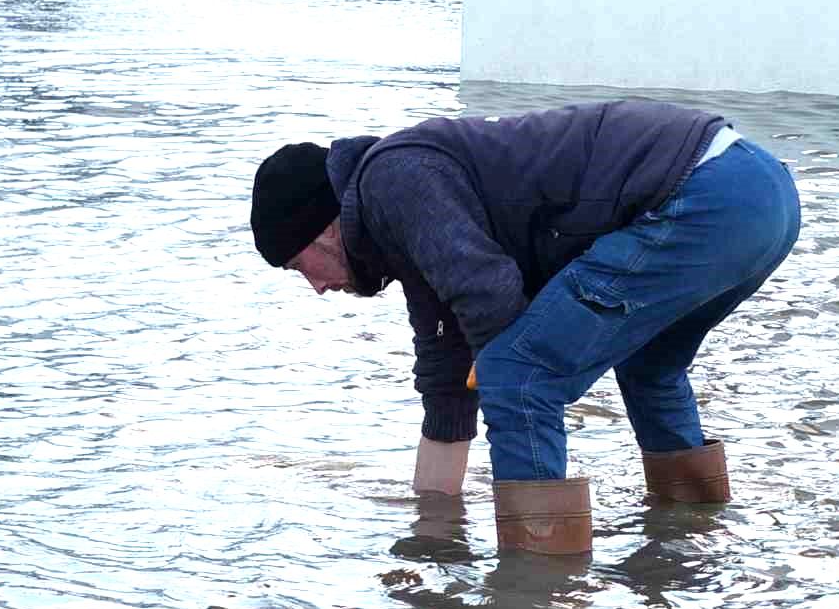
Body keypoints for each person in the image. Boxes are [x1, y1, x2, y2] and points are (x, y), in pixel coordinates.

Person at [247, 99, 800, 556]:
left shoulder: (394, 181)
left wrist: (514, 384)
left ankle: (533, 596)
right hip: (761, 192)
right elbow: (446, 366)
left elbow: (490, 302)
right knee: (649, 366)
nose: (316, 287)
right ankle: (693, 533)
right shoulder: (398, 204)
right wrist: (434, 525)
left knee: (517, 370)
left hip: (706, 196)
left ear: (324, 231)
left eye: (300, 268)